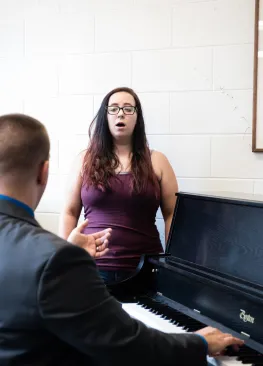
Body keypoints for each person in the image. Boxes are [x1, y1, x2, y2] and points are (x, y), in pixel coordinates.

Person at [0, 113, 244, 366]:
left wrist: (67, 251)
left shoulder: (50, 256)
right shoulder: (54, 259)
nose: (121, 114)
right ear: (44, 172)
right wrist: (200, 343)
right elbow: (127, 344)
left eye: (128, 109)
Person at [59, 87, 179, 284]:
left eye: (128, 108)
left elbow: (172, 214)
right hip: (91, 268)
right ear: (105, 116)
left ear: (137, 117)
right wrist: (64, 261)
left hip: (146, 269)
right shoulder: (84, 160)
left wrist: (173, 265)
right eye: (113, 108)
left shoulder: (158, 161)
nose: (120, 113)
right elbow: (69, 212)